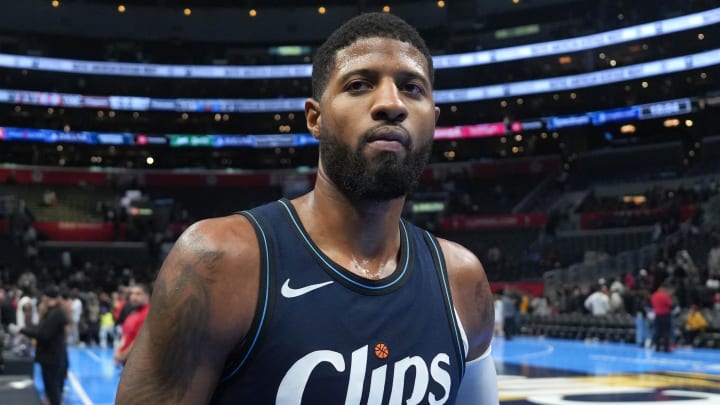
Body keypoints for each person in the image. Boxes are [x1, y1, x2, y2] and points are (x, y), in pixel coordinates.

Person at [116, 12, 497, 405]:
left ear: (432, 121)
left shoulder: (463, 281)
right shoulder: (219, 260)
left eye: (412, 87)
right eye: (360, 84)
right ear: (315, 118)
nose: (390, 103)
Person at [19, 285, 68, 405]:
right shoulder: (52, 313)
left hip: (52, 357)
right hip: (50, 357)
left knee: (53, 390)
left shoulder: (55, 314)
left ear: (47, 298)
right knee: (50, 389)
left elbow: (43, 334)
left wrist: (23, 330)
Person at [113, 284, 151, 366]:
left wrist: (123, 356)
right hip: (127, 362)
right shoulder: (132, 314)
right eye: (132, 294)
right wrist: (118, 351)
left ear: (147, 296)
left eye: (138, 294)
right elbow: (125, 336)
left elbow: (139, 340)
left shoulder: (148, 314)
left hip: (139, 364)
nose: (133, 297)